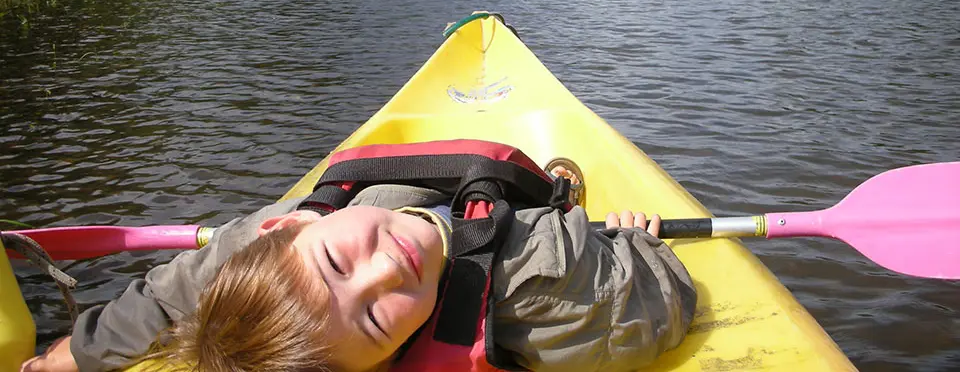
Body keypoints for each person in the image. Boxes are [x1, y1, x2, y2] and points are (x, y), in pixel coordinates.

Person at [22, 149, 696, 372]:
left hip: (389, 190)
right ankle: (557, 189)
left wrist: (70, 355)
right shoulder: (541, 278)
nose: (388, 272)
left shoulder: (254, 242)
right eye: (376, 321)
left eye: (337, 268)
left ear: (288, 225)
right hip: (509, 229)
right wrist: (639, 243)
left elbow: (166, 296)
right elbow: (651, 309)